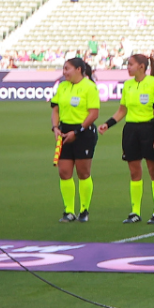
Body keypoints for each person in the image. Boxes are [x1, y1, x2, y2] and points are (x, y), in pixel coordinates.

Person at [97, 54, 154, 223]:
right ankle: (135, 211)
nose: (127, 67)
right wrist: (108, 124)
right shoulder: (128, 85)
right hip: (131, 130)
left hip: (149, 129)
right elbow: (122, 110)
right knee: (134, 171)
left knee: (153, 170)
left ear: (142, 66)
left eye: (130, 65)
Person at [51, 58, 99, 222]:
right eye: (63, 69)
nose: (64, 72)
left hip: (83, 132)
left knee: (83, 172)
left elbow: (93, 113)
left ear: (79, 69)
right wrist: (55, 127)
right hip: (64, 132)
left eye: (67, 69)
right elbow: (55, 109)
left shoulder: (89, 87)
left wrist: (77, 132)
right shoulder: (62, 86)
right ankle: (69, 211)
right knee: (64, 172)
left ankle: (84, 210)